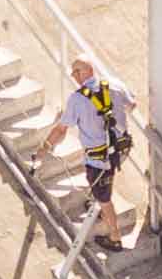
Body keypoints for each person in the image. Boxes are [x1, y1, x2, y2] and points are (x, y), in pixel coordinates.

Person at [48, 53, 137, 247]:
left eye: (76, 71)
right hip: (120, 151)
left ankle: (114, 238)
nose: (74, 76)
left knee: (104, 197)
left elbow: (61, 129)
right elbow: (132, 104)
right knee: (104, 183)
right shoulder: (114, 85)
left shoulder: (77, 100)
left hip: (99, 160)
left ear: (87, 71)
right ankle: (98, 200)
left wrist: (45, 147)